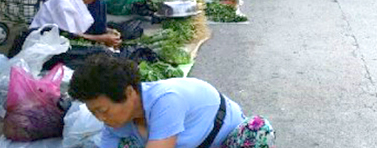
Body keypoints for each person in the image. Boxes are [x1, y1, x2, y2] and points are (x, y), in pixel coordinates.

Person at [69, 55, 276, 148]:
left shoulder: (166, 100)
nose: (101, 118)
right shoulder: (115, 124)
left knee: (258, 130)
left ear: (129, 92)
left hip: (227, 139)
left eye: (103, 110)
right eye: (94, 113)